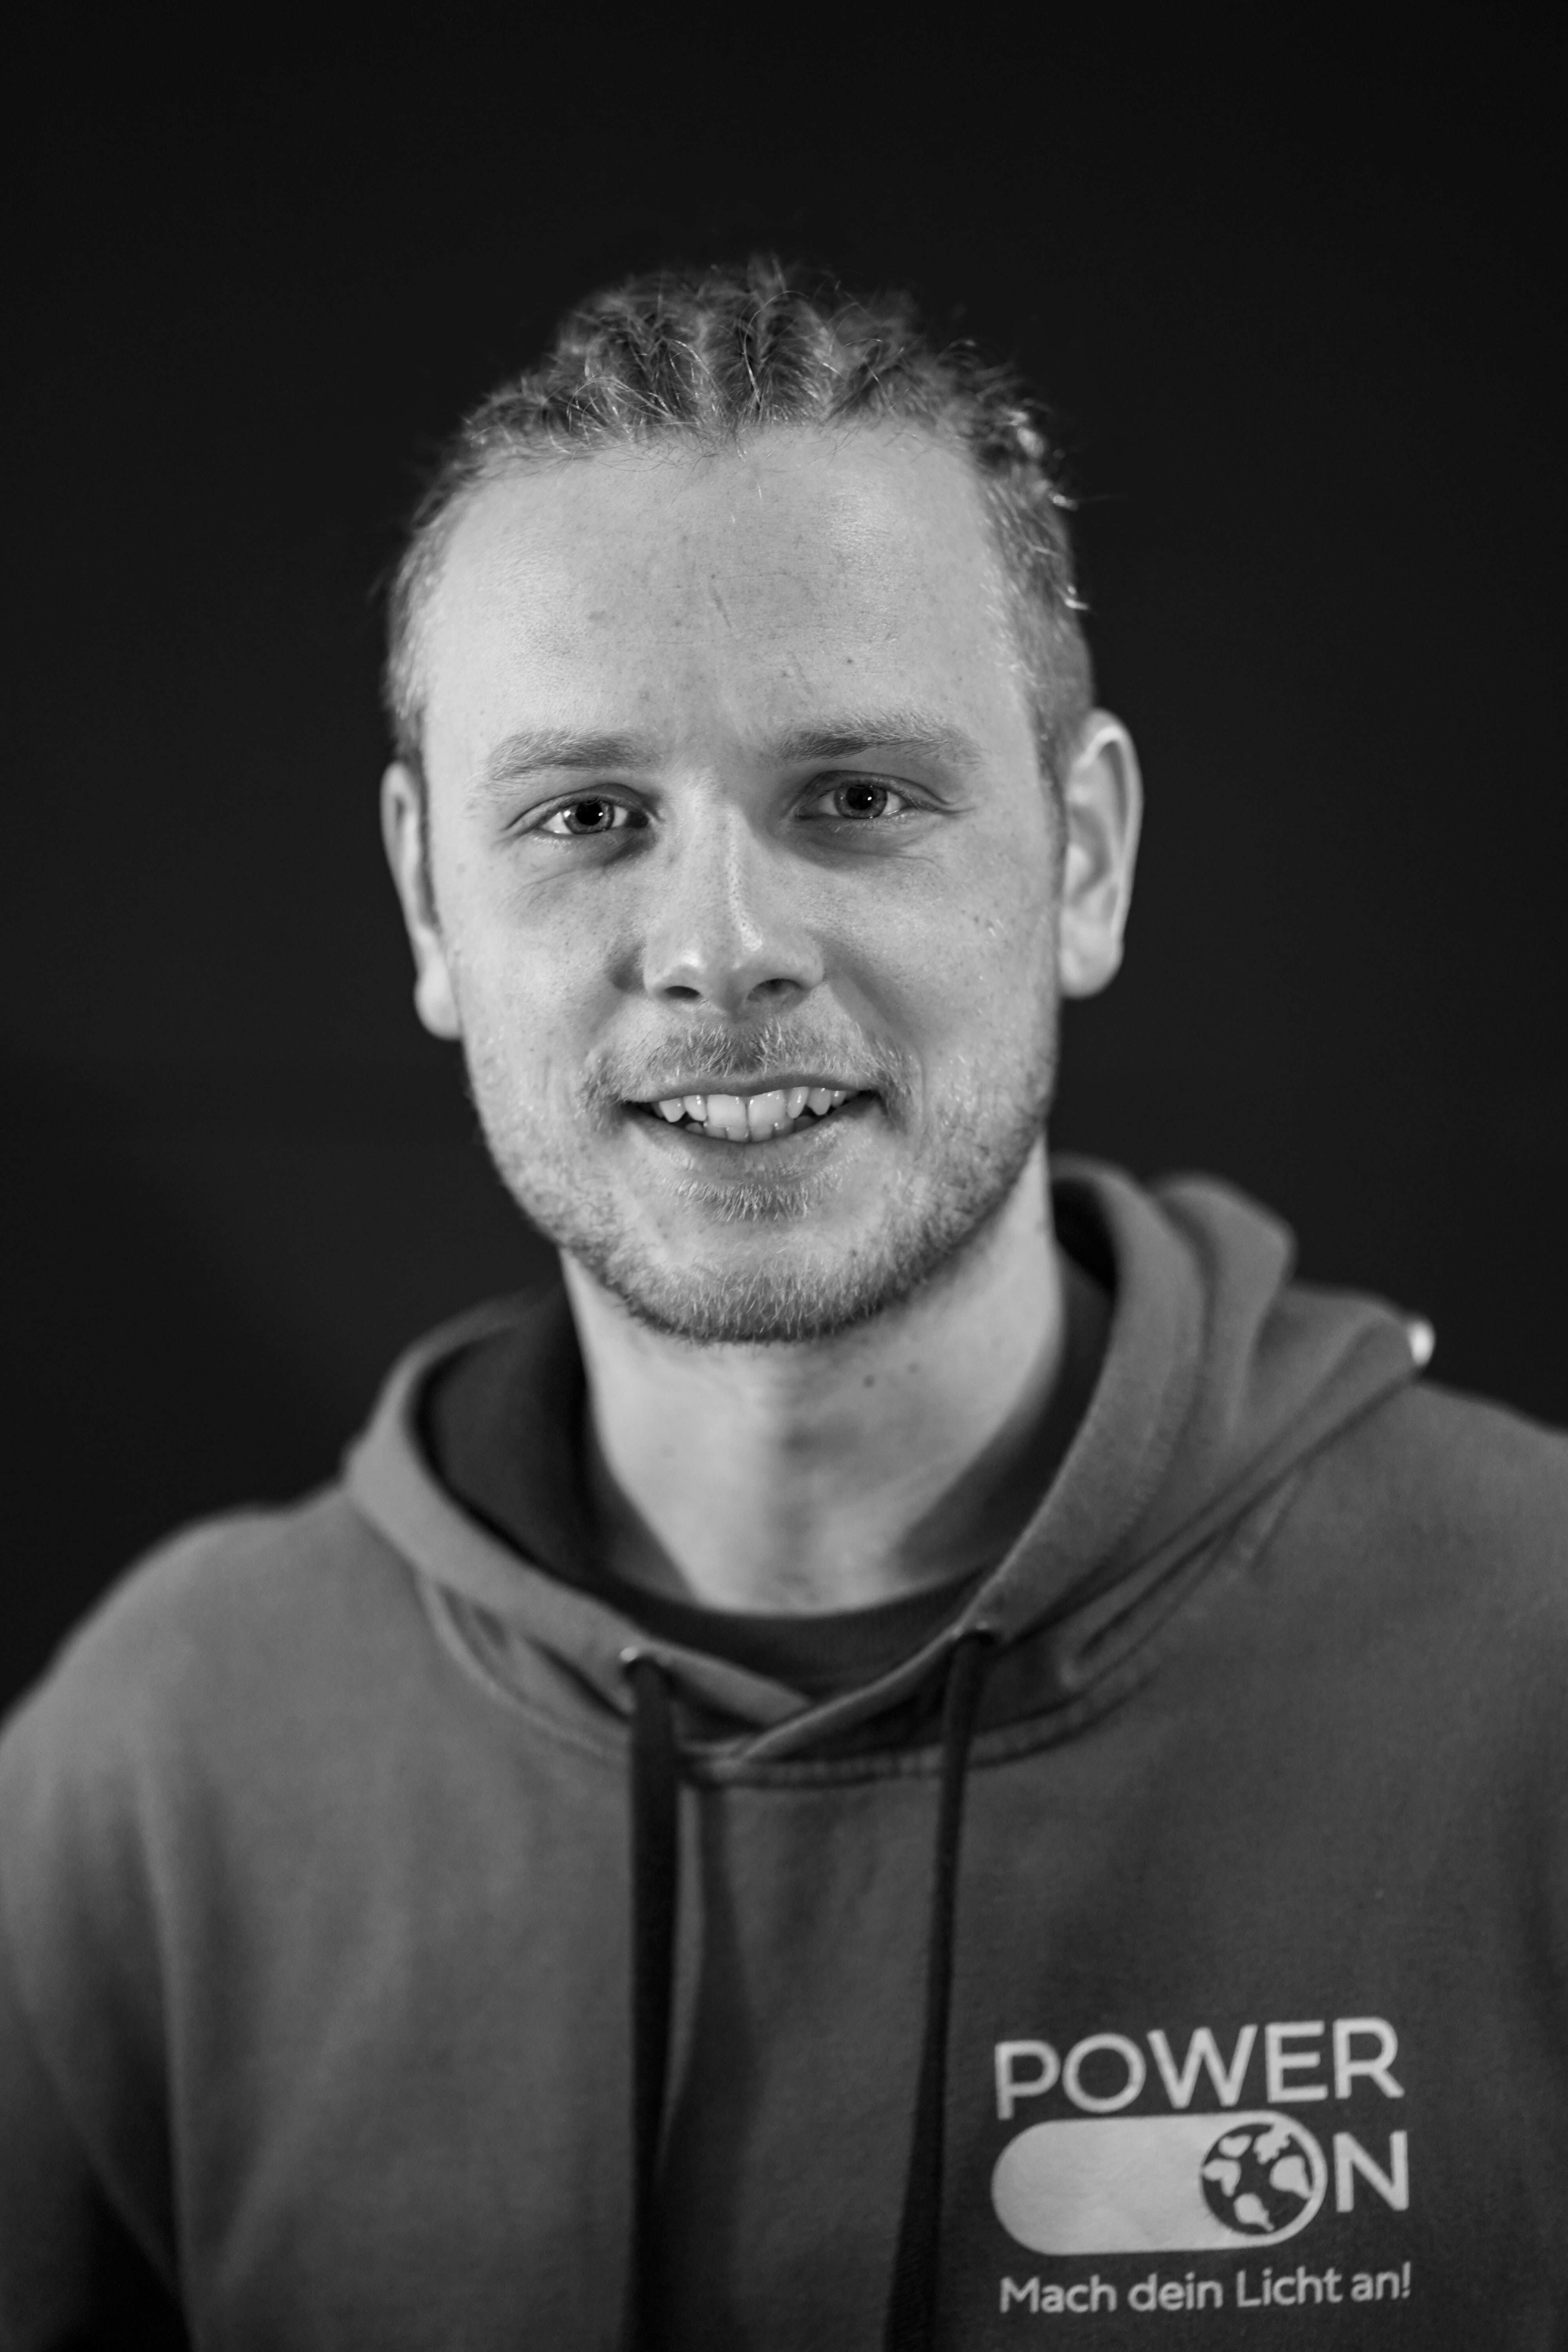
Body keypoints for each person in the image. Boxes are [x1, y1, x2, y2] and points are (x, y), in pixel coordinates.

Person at [2, 258, 1564, 2352]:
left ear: (1084, 859)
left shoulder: (1534, 1663)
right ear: (429, 902)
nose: (719, 946)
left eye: (857, 798)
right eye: (587, 817)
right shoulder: (158, 1769)